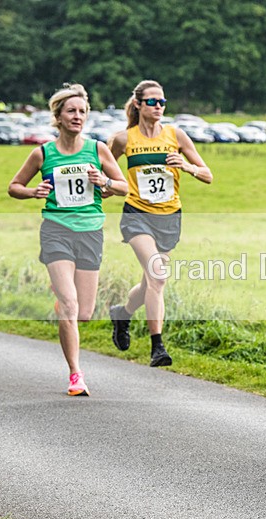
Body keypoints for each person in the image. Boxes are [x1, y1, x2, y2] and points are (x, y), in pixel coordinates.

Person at [8, 83, 128, 395]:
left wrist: (104, 181)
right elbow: (14, 187)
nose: (77, 116)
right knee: (70, 305)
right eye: (71, 111)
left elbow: (123, 186)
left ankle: (62, 297)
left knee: (84, 312)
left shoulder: (97, 149)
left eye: (82, 111)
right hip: (56, 230)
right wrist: (33, 192)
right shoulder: (42, 153)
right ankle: (76, 374)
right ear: (58, 116)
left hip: (90, 232)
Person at [107, 80, 212, 367]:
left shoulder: (176, 135)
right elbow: (108, 171)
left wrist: (186, 166)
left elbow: (207, 175)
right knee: (158, 276)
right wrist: (104, 187)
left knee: (149, 283)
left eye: (162, 102)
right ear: (138, 104)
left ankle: (123, 313)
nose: (158, 107)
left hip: (169, 217)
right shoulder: (123, 139)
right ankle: (158, 347)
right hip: (137, 215)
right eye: (152, 102)